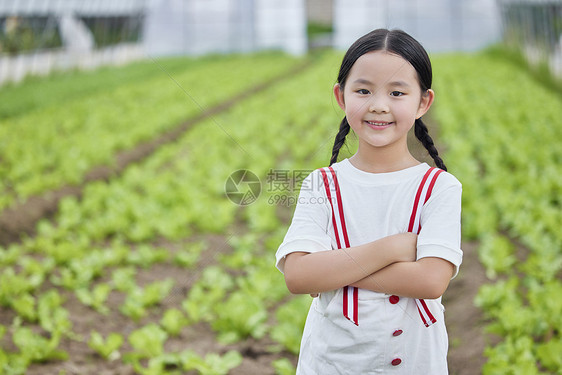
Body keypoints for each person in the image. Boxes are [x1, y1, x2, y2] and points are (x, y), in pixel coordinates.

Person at [275, 28, 462, 374]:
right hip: (331, 363)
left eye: (396, 92)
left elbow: (430, 281)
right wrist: (393, 248)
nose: (379, 105)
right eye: (363, 90)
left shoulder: (439, 187)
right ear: (341, 96)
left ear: (423, 102)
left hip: (413, 362)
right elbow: (298, 276)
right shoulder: (322, 184)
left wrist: (332, 272)